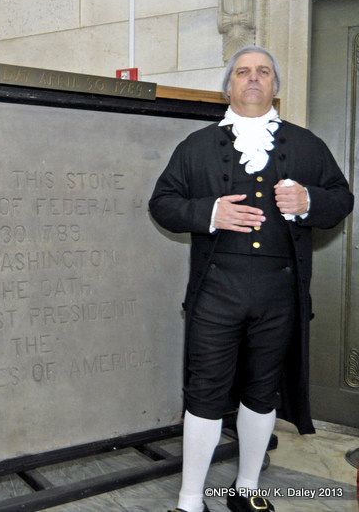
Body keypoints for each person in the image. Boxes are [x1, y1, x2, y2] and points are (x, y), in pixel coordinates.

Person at [149, 45, 353, 512]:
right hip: (216, 288)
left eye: (263, 71)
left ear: (276, 86)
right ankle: (189, 501)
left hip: (281, 291)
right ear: (229, 85)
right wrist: (209, 211)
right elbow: (162, 203)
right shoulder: (195, 146)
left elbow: (342, 198)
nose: (253, 78)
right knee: (204, 391)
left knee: (264, 392)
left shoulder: (308, 144)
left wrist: (309, 202)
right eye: (243, 72)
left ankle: (245, 491)